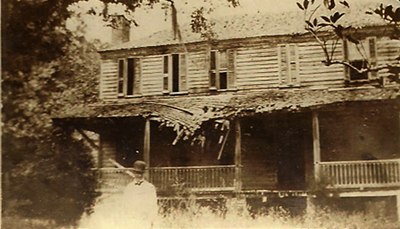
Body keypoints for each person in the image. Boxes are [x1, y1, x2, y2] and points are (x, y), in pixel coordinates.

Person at [121, 160, 158, 229]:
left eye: (141, 173)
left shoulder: (150, 187)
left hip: (144, 220)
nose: (139, 175)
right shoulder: (129, 187)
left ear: (144, 173)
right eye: (137, 173)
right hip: (132, 220)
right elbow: (125, 204)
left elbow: (153, 205)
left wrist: (152, 220)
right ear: (134, 173)